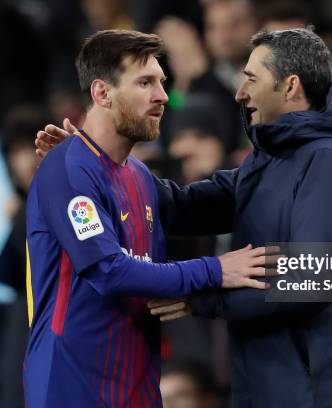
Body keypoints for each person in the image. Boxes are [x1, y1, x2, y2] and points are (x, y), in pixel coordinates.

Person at [38, 26, 332, 407]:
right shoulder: (270, 160)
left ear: (290, 87)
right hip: (279, 387)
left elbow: (316, 277)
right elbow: (183, 206)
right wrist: (97, 165)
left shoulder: (331, 163)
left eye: (251, 79)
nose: (240, 93)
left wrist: (205, 297)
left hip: (324, 394)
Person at [24, 29, 272, 408]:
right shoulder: (67, 169)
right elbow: (108, 271)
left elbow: (201, 206)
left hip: (137, 387)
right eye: (145, 83)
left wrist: (285, 166)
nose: (162, 96)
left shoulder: (137, 176)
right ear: (101, 93)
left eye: (161, 82)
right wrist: (216, 270)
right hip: (72, 389)